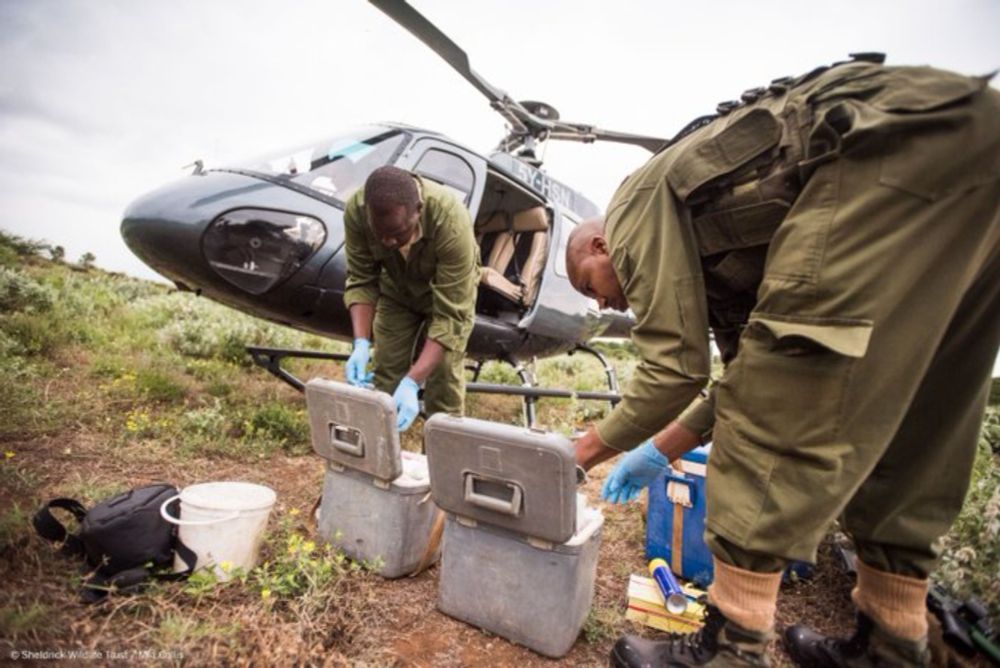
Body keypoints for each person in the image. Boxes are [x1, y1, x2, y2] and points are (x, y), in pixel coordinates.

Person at [566, 54, 1000, 667]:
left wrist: (580, 452)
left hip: (875, 146)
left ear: (600, 243)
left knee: (779, 406)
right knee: (920, 413)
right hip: (973, 137)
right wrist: (658, 448)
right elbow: (738, 375)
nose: (607, 301)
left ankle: (731, 648)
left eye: (591, 284)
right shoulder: (725, 250)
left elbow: (679, 371)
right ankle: (892, 641)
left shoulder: (634, 204)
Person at [342, 165, 479, 431]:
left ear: (419, 209)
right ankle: (380, 463)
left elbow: (449, 318)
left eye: (398, 233)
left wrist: (413, 381)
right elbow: (362, 279)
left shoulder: (451, 221)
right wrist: (360, 341)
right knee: (385, 373)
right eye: (380, 234)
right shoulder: (357, 211)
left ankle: (441, 469)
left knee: (444, 383)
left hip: (447, 297)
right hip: (396, 291)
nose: (389, 242)